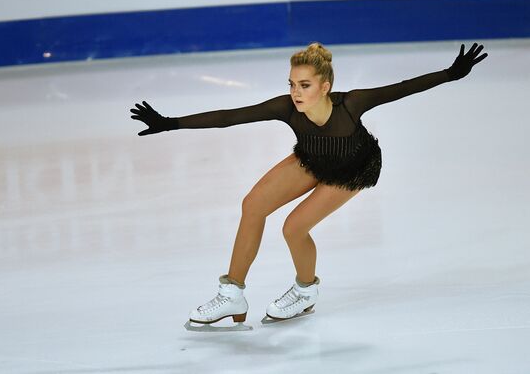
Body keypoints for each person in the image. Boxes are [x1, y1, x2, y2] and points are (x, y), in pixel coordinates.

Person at [130, 42, 488, 325]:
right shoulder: (287, 108)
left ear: (325, 86)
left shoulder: (351, 104)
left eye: (304, 85)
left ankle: (305, 291)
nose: (296, 93)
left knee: (293, 227)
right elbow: (229, 117)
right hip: (312, 158)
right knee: (252, 204)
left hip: (352, 168)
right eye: (291, 84)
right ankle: (232, 293)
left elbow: (403, 88)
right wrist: (170, 123)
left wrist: (450, 73)